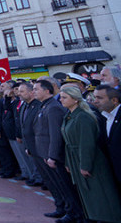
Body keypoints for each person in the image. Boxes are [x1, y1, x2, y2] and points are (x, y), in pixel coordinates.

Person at [59, 86, 121, 222]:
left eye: (64, 97)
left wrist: (85, 165)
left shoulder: (82, 117)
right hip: (76, 160)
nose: (61, 100)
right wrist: (69, 163)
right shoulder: (69, 115)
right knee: (90, 196)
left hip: (89, 162)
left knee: (100, 195)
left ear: (75, 100)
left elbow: (87, 144)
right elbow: (68, 143)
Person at [34, 79, 83, 222]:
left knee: (65, 186)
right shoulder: (45, 106)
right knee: (57, 185)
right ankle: (65, 209)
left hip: (55, 156)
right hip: (46, 154)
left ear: (47, 91)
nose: (34, 91)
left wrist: (52, 156)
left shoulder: (53, 107)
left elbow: (55, 135)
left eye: (37, 89)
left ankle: (74, 213)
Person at [94, 84, 121, 189]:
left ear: (114, 100)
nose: (95, 101)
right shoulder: (104, 117)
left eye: (99, 98)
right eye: (95, 97)